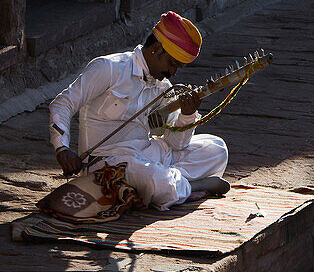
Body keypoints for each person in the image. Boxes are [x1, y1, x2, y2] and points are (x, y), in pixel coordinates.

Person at [48, 11, 230, 208]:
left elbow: (176, 144)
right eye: (171, 63)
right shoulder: (109, 68)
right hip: (109, 162)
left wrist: (187, 116)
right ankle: (190, 185)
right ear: (156, 49)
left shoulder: (163, 87)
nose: (173, 72)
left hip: (148, 153)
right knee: (156, 179)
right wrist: (62, 148)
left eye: (177, 67)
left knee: (216, 148)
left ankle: (173, 185)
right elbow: (63, 103)